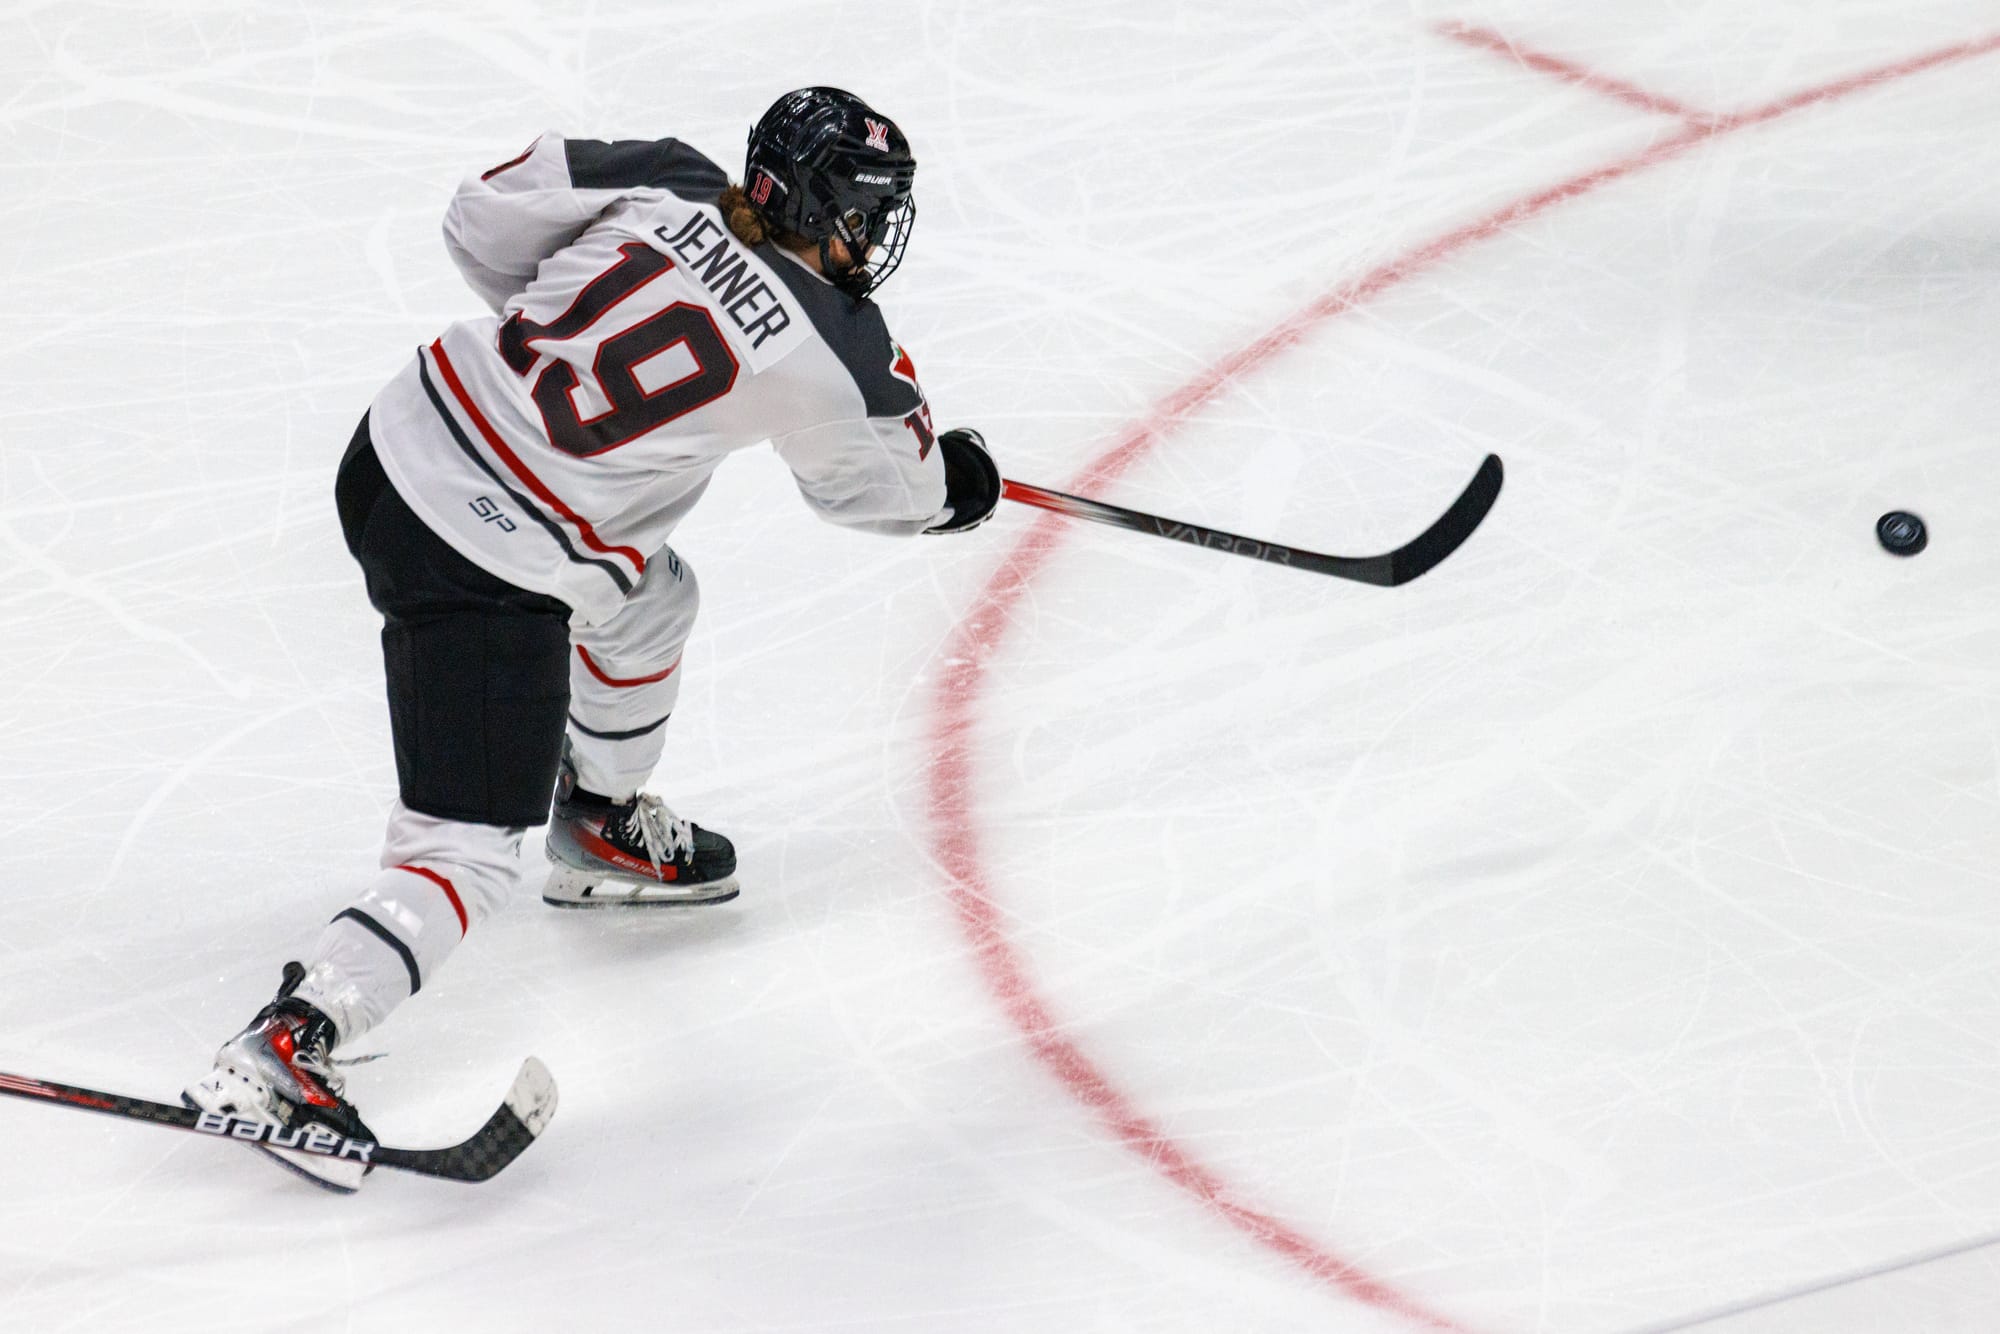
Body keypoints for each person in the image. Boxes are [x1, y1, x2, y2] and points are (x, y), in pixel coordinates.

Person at [184, 87, 1001, 1191]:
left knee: (646, 597)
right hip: (482, 564)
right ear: (815, 203)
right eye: (861, 209)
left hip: (392, 444)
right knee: (461, 849)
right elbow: (879, 495)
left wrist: (567, 329)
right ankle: (291, 1036)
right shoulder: (840, 348)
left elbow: (480, 217)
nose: (871, 237)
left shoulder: (666, 175)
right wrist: (956, 482)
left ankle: (604, 817)